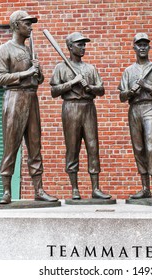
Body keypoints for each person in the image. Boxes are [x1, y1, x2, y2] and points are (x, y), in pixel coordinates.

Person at [0, 10, 58, 204]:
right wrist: (26, 73)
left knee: (35, 146)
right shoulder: (4, 49)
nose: (30, 27)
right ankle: (6, 191)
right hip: (14, 98)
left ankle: (39, 190)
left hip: (31, 98)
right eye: (27, 23)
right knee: (11, 146)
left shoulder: (30, 51)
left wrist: (38, 72)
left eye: (31, 24)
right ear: (16, 25)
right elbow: (0, 78)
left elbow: (38, 80)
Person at [50, 32, 111, 200]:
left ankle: (95, 188)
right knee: (72, 148)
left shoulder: (90, 68)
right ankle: (74, 189)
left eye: (84, 44)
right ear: (70, 47)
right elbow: (54, 91)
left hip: (88, 107)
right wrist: (72, 83)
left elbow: (101, 90)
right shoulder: (61, 67)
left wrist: (89, 87)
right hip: (71, 107)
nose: (83, 47)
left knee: (93, 147)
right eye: (79, 44)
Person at [118, 33, 152, 201]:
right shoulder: (128, 71)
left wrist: (147, 86)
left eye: (145, 44)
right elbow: (121, 96)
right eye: (139, 44)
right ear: (134, 47)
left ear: (149, 47)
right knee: (138, 148)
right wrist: (130, 91)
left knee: (150, 146)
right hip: (134, 108)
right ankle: (145, 187)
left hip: (150, 108)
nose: (142, 47)